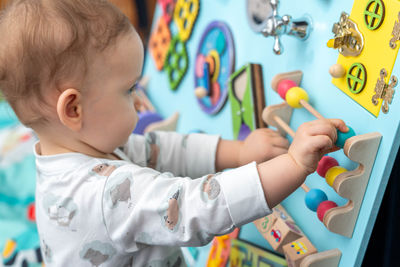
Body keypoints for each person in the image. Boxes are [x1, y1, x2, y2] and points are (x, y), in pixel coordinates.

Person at [0, 0, 348, 266]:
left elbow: (159, 149)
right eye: (128, 89)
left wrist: (238, 154)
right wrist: (292, 164)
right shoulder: (100, 194)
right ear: (73, 109)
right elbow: (198, 207)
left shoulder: (73, 146)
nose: (138, 100)